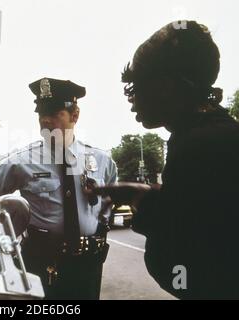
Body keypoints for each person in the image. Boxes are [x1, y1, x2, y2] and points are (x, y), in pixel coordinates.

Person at [93, 21, 239, 299]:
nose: (131, 99)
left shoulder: (197, 146)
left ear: (165, 87)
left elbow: (186, 260)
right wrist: (149, 196)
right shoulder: (217, 133)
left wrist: (146, 204)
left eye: (136, 86)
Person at [0, 77, 117, 299]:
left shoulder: (102, 160)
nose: (45, 120)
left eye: (54, 112)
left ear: (75, 115)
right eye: (41, 113)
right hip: (41, 261)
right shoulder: (19, 161)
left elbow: (109, 202)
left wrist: (99, 227)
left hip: (87, 265)